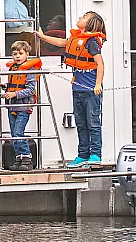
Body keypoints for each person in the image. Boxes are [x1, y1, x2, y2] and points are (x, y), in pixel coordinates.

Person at [37, 11, 106, 166]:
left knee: (93, 124)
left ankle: (96, 155)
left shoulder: (92, 42)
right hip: (77, 90)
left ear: (90, 24)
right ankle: (83, 154)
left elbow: (100, 64)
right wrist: (42, 37)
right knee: (81, 124)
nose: (80, 18)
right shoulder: (75, 39)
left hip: (91, 91)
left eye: (84, 17)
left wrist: (98, 84)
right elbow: (60, 42)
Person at [2, 40, 42, 171]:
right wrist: (7, 88)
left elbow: (30, 90)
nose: (17, 56)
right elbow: (14, 84)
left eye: (20, 53)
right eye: (15, 54)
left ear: (27, 54)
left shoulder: (30, 70)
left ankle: (27, 158)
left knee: (19, 132)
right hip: (12, 107)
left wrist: (14, 94)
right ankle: (18, 159)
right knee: (14, 134)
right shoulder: (13, 68)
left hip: (24, 107)